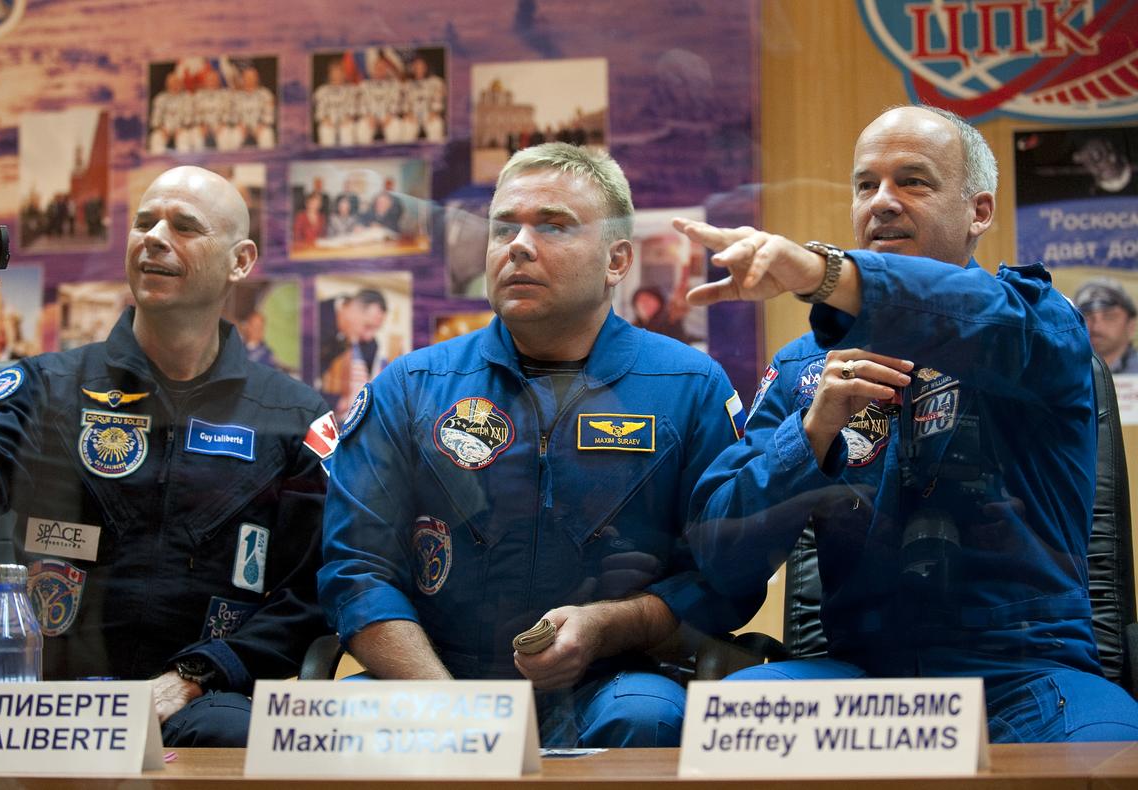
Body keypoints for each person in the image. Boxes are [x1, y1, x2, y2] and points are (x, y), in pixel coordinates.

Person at [681, 105, 1138, 743]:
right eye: (866, 185)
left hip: (1024, 678)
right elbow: (721, 559)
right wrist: (807, 439)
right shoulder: (804, 369)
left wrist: (825, 274)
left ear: (979, 212)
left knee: (1107, 750)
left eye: (913, 182)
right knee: (736, 720)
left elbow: (970, 311)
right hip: (864, 680)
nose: (882, 202)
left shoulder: (1039, 328)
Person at [319, 142, 757, 748]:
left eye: (554, 226)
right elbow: (356, 570)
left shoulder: (689, 387)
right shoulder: (411, 387)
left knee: (648, 718)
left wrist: (611, 625)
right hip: (436, 677)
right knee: (327, 721)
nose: (518, 245)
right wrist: (452, 712)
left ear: (616, 260)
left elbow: (724, 577)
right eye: (504, 229)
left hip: (613, 679)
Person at [0, 166, 337, 747]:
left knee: (237, 741)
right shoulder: (48, 389)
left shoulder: (291, 416)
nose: (153, 236)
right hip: (56, 700)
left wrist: (197, 676)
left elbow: (312, 593)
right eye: (143, 221)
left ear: (241, 261)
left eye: (184, 226)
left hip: (203, 705)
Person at [316, 289, 387, 418]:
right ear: (352, 309)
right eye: (367, 326)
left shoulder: (368, 343)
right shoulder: (315, 318)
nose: (369, 337)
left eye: (375, 329)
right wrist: (335, 402)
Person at [1075, 278, 1138, 375]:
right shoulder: (1058, 373)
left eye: (1109, 317)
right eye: (1086, 317)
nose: (1096, 327)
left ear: (1131, 325)